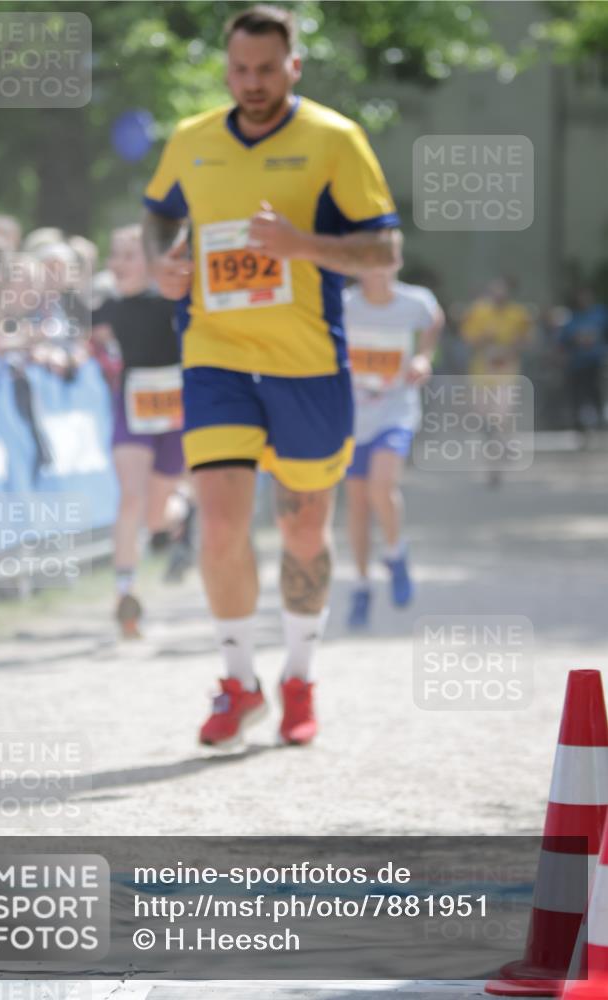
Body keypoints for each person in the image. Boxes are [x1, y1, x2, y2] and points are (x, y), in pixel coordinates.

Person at [142, 4, 400, 746]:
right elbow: (158, 214)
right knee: (221, 523)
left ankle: (299, 678)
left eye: (266, 69)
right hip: (215, 352)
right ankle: (238, 682)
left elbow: (384, 252)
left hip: (306, 364)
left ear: (294, 66)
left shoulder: (334, 139)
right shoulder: (192, 138)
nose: (251, 83)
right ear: (226, 69)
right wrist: (162, 263)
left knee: (303, 527)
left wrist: (300, 244)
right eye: (239, 69)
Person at [92, 224, 188, 637]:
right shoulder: (107, 308)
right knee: (131, 496)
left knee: (155, 513)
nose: (117, 263)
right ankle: (125, 595)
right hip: (132, 409)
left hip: (173, 413)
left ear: (150, 263)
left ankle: (181, 508)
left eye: (128, 256)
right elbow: (79, 337)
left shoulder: (173, 304)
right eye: (114, 255)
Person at [343, 236, 444, 628]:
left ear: (398, 261)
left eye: (388, 258)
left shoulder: (415, 302)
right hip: (353, 418)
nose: (380, 268)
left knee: (381, 486)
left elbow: (434, 319)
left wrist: (423, 357)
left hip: (395, 411)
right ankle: (361, 586)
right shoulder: (345, 305)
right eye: (371, 260)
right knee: (356, 504)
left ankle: (395, 552)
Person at [460, 277, 533, 487]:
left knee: (501, 416)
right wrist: (485, 340)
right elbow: (468, 338)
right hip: (481, 375)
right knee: (485, 418)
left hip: (506, 375)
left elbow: (527, 339)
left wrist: (511, 348)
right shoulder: (478, 311)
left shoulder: (519, 314)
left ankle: (497, 459)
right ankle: (498, 447)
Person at [558, 287, 607, 432]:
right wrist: (577, 339)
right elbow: (564, 339)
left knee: (596, 391)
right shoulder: (573, 317)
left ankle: (600, 420)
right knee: (578, 394)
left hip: (596, 361)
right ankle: (578, 424)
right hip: (577, 363)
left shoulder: (600, 314)